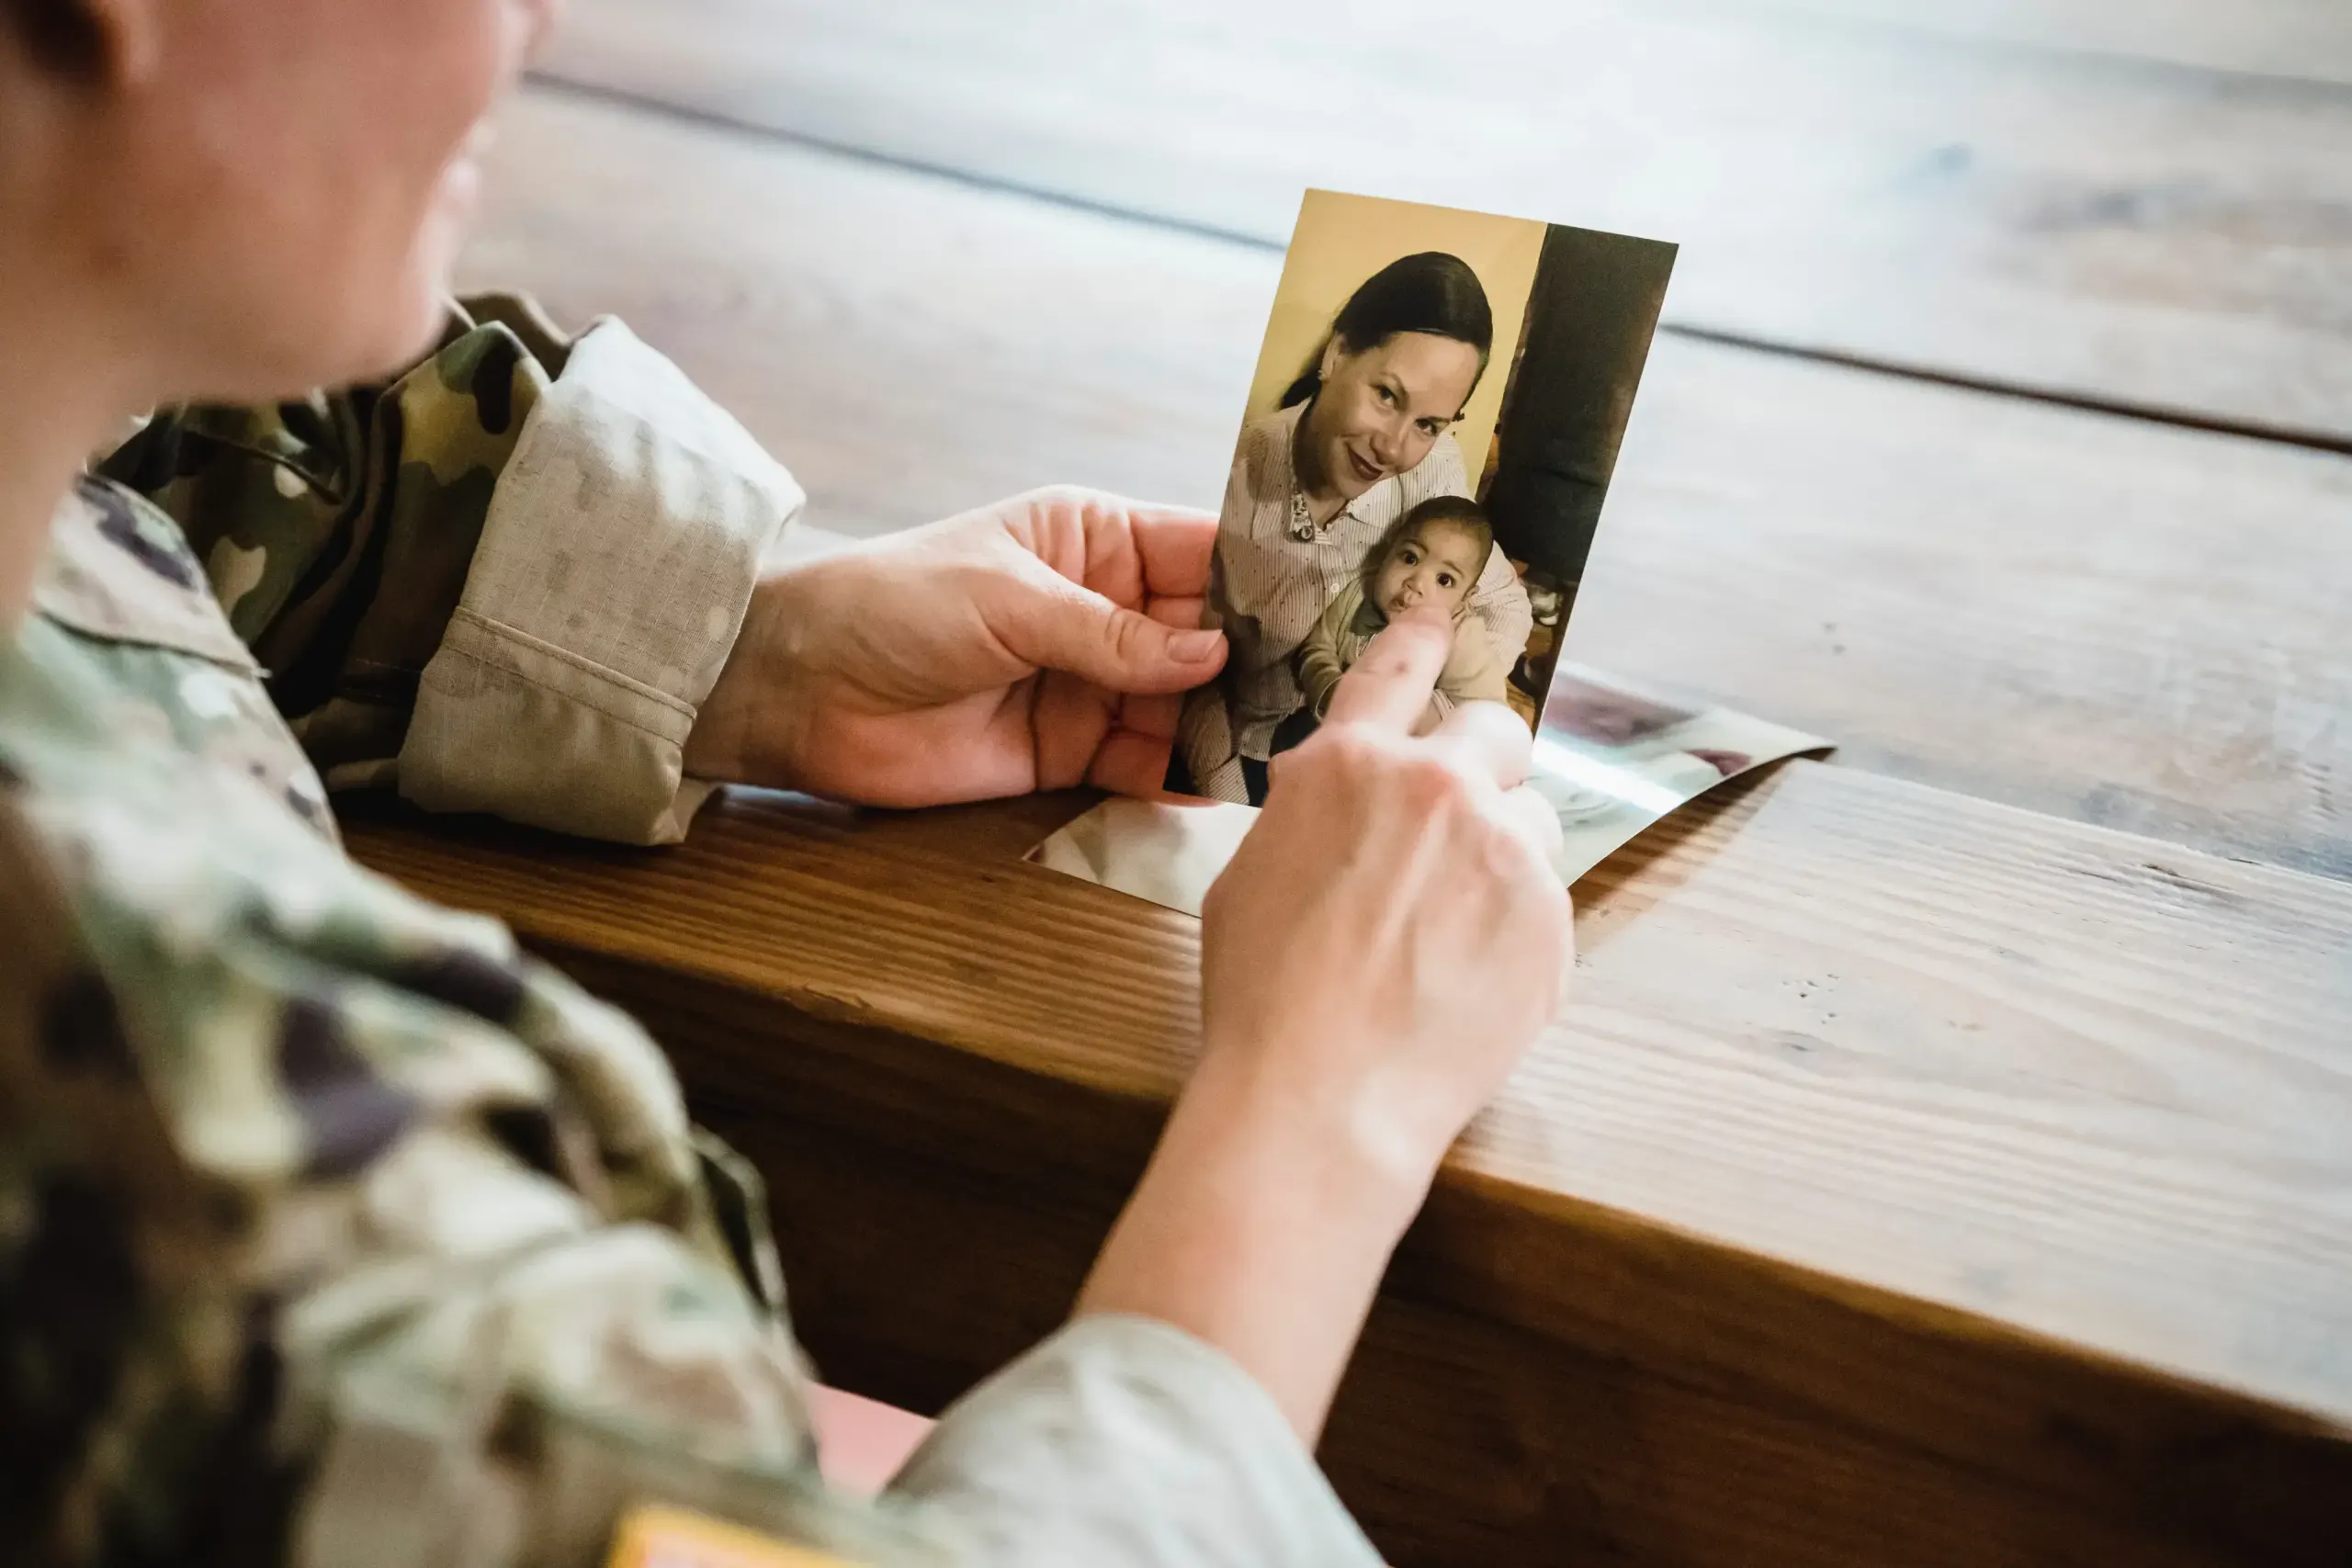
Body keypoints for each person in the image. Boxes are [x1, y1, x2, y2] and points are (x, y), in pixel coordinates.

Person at [0, 4, 1570, 1567]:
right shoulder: (198, 1195)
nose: (544, 17)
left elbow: (156, 476)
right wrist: (1314, 1118)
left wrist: (737, 646)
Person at [1177, 252, 1534, 804]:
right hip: (1239, 753)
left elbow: (1506, 607)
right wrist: (1232, 809)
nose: (1393, 448)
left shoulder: (1433, 466)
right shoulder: (1229, 483)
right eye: (1387, 396)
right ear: (1337, 353)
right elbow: (1190, 682)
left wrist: (1431, 714)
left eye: (1428, 423)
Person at [1290, 495, 1512, 748]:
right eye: (1410, 558)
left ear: (1464, 600)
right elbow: (1317, 647)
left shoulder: (1459, 636)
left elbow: (1488, 713)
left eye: (1444, 580)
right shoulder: (1358, 593)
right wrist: (1332, 690)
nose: (1416, 583)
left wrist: (1421, 718)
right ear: (1388, 551)